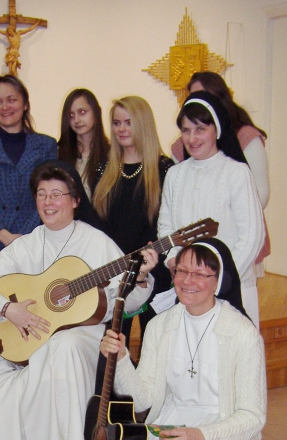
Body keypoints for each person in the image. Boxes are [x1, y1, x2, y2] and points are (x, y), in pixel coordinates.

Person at [0, 162, 158, 440]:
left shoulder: (97, 242)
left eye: (57, 193)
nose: (48, 201)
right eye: (42, 194)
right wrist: (8, 309)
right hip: (35, 336)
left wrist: (140, 277)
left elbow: (125, 301)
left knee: (64, 344)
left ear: (74, 201)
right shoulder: (28, 243)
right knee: (43, 353)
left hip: (86, 337)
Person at [100, 238, 266, 440]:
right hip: (167, 429)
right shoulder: (162, 325)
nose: (188, 281)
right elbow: (145, 396)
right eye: (181, 271)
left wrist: (201, 436)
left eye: (200, 274)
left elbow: (253, 417)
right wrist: (120, 359)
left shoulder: (242, 333)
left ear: (218, 281)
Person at [158, 91, 264, 327]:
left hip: (231, 289)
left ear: (216, 129)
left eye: (200, 129)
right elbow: (166, 226)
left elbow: (252, 237)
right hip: (187, 290)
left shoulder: (237, 173)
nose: (192, 138)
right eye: (186, 130)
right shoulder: (175, 175)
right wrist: (174, 260)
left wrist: (216, 281)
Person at [171, 71, 270, 275]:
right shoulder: (183, 149)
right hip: (193, 256)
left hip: (235, 242)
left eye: (206, 95)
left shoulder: (245, 138)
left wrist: (225, 221)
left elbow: (261, 194)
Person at [93, 96, 174, 344]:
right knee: (116, 346)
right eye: (116, 123)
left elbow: (166, 222)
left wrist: (148, 262)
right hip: (115, 270)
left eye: (128, 122)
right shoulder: (104, 168)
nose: (121, 129)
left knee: (155, 342)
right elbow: (99, 224)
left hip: (153, 269)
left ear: (143, 124)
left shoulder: (164, 168)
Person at [0, 74, 57, 256]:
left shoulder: (46, 145)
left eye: (11, 100)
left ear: (25, 104)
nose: (5, 107)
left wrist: (26, 237)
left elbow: (49, 196)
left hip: (35, 240)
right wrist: (4, 235)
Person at [58, 88, 110, 200]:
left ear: (96, 113)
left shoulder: (111, 155)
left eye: (82, 112)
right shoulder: (59, 155)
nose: (76, 120)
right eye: (71, 115)